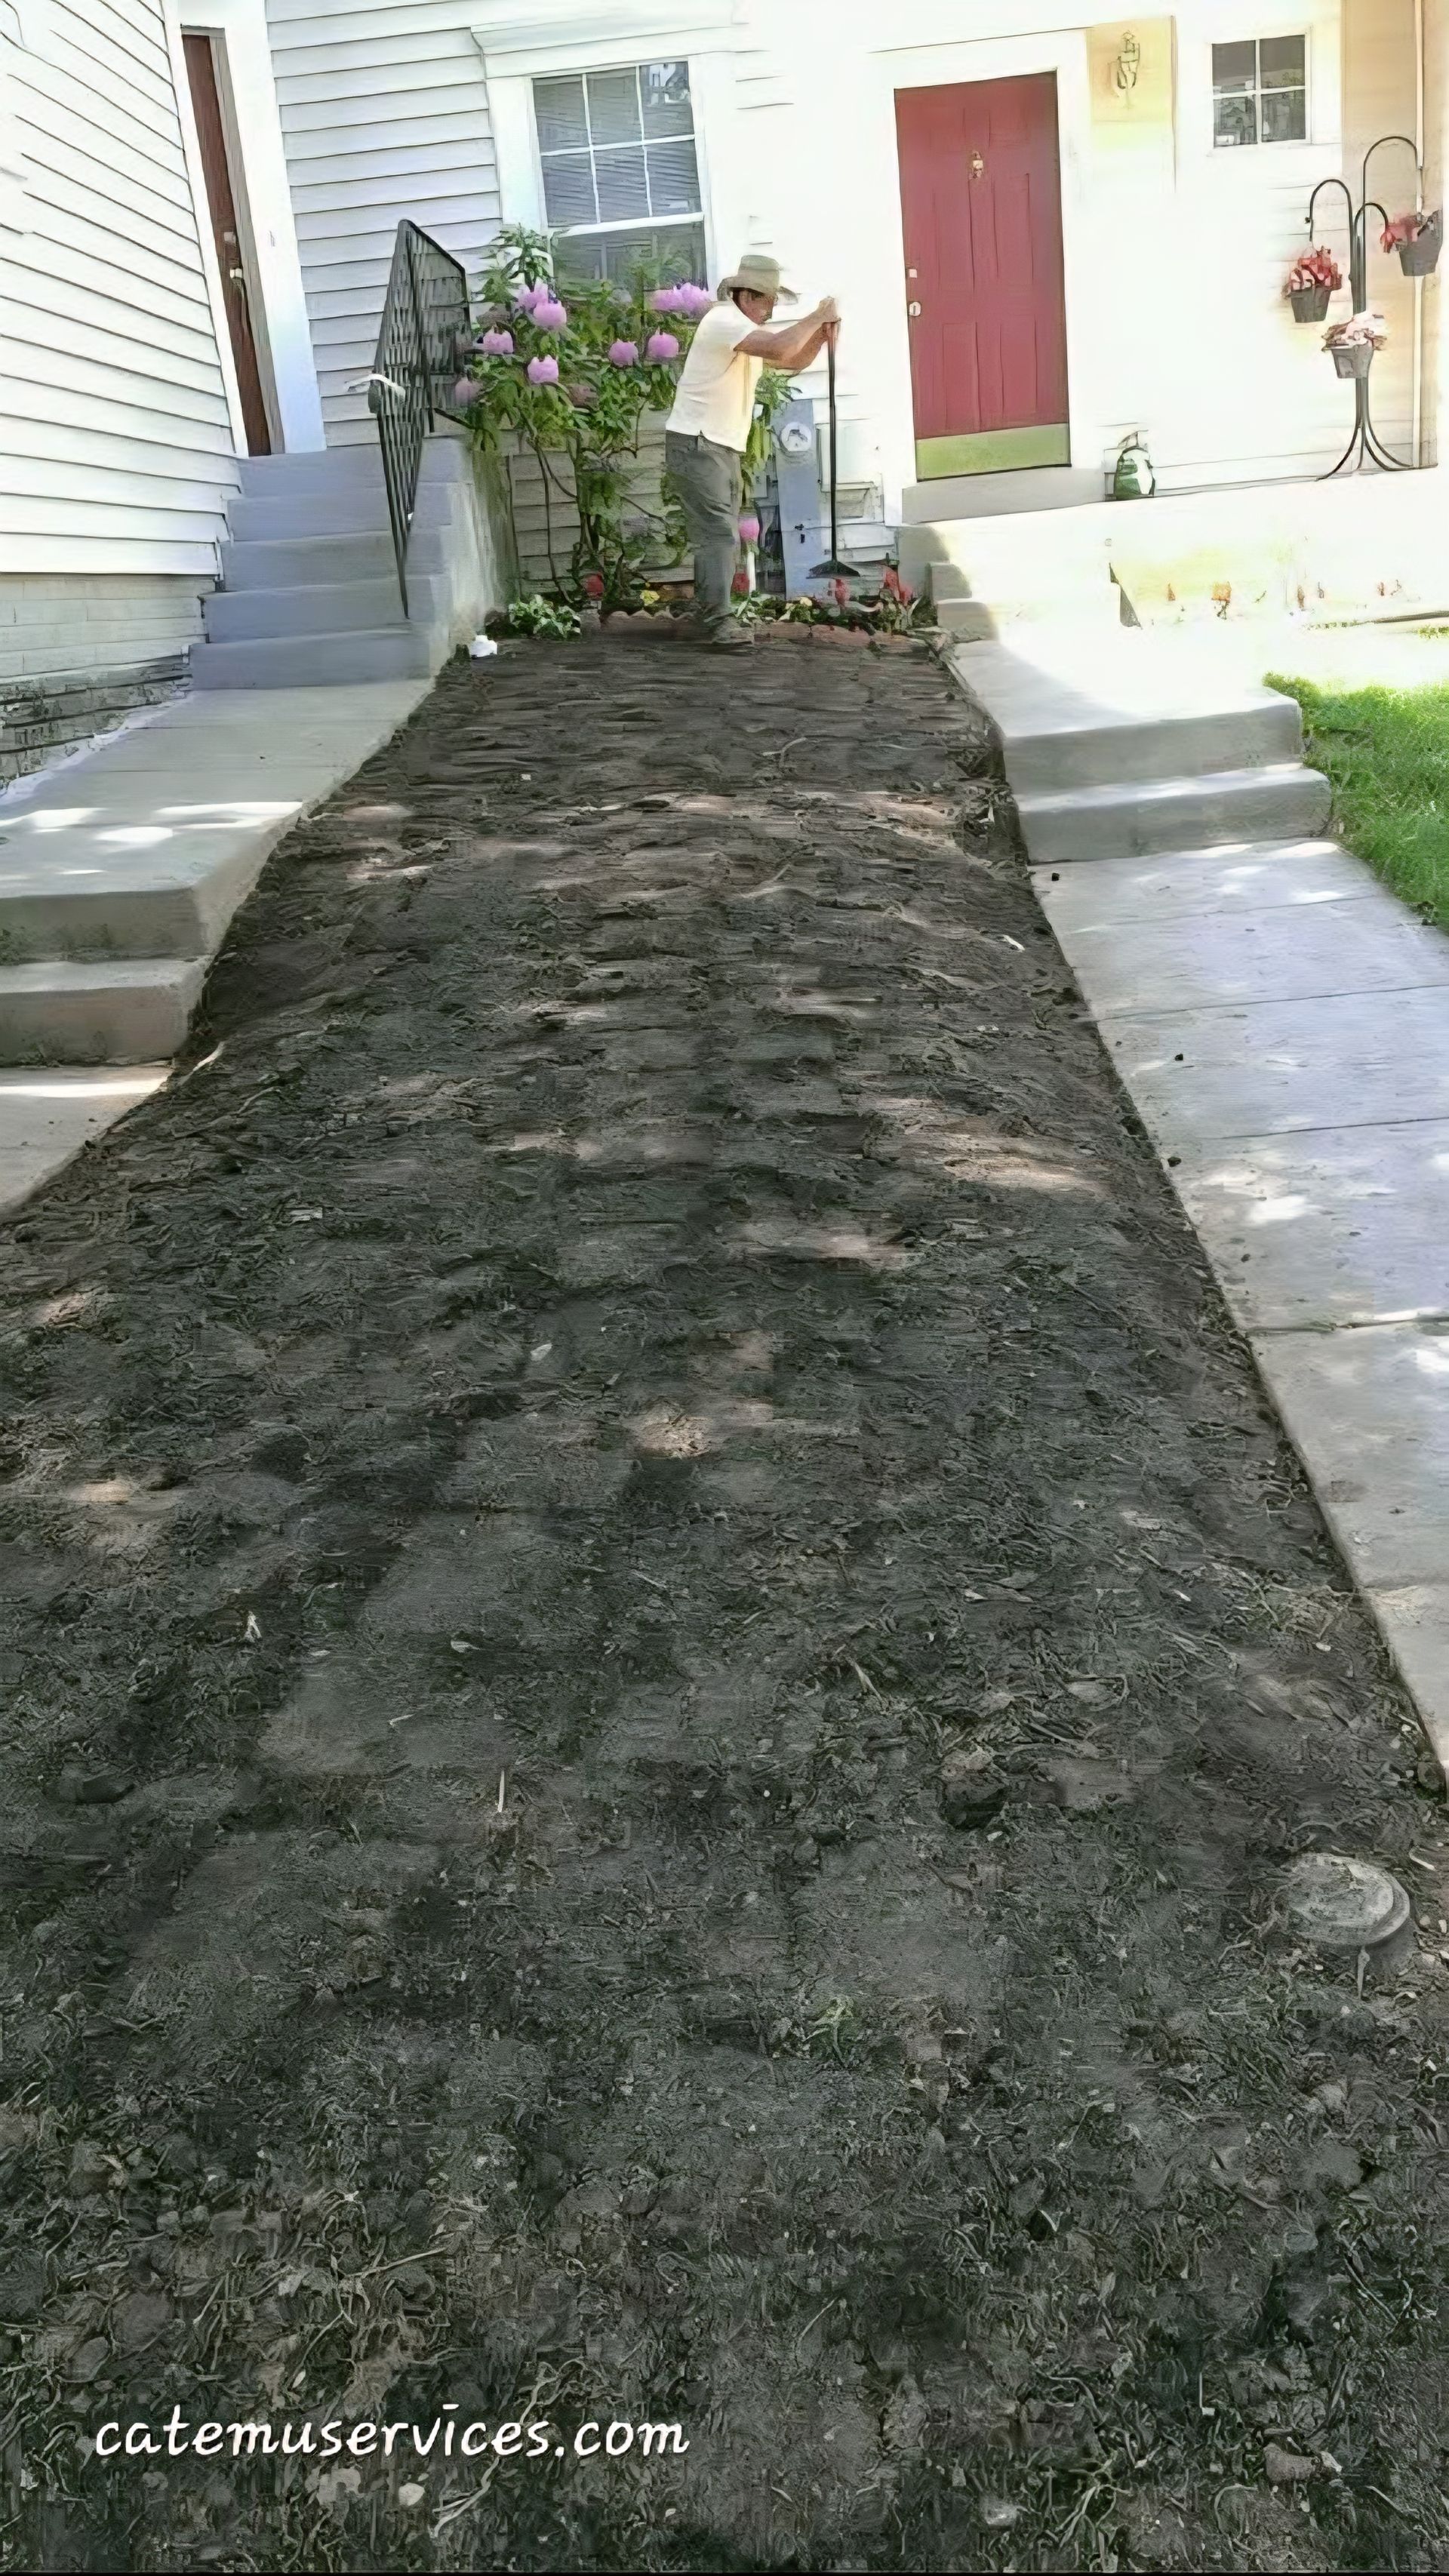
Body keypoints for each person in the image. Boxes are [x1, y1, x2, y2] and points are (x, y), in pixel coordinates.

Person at [664, 254, 838, 651]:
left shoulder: (742, 332)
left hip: (717, 445)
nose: (770, 310)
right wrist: (817, 315)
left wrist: (821, 334)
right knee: (720, 535)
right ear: (744, 294)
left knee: (717, 535)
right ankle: (719, 622)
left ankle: (706, 615)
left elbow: (791, 360)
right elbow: (779, 347)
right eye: (766, 301)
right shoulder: (724, 319)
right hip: (697, 443)